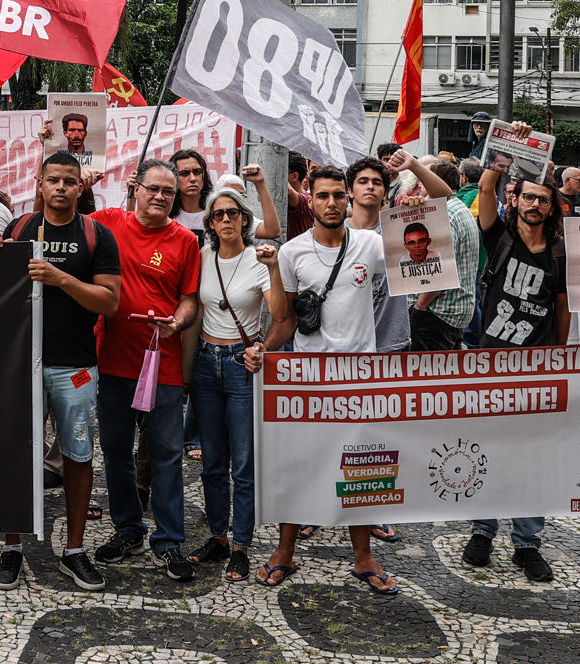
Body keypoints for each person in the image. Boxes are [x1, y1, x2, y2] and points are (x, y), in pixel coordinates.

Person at [248, 166, 396, 593]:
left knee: (362, 470)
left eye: (337, 196)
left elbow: (432, 250)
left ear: (349, 199)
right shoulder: (292, 253)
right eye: (322, 196)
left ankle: (364, 557)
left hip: (361, 378)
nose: (331, 203)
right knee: (301, 467)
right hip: (308, 380)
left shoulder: (371, 245)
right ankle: (284, 552)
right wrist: (264, 348)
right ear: (308, 199)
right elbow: (285, 318)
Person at [0, 152, 122, 592]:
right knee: (16, 455)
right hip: (21, 362)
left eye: (69, 181)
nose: (61, 188)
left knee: (78, 456)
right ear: (39, 183)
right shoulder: (20, 228)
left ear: (80, 188)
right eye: (53, 180)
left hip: (75, 365)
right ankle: (12, 547)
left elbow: (109, 302)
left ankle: (75, 551)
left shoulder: (96, 234)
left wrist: (60, 278)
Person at [90, 159, 201, 583]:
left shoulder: (185, 240)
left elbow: (189, 298)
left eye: (168, 192)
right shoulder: (107, 223)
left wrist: (177, 321)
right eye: (153, 188)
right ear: (136, 187)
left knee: (168, 456)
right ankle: (128, 529)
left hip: (163, 365)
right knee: (115, 452)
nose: (160, 197)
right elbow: (61, 223)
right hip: (113, 360)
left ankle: (169, 540)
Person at [467, 125, 567, 580]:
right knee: (486, 448)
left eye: (542, 199)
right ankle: (482, 531)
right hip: (490, 363)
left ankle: (527, 543)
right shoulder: (497, 237)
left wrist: (560, 357)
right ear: (516, 200)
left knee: (530, 457)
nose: (534, 204)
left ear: (552, 207)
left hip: (537, 369)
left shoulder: (563, 253)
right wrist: (504, 148)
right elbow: (486, 189)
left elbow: (562, 308)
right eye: (527, 197)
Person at [188, 181, 272, 582]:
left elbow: (282, 314)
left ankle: (241, 545)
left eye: (232, 213)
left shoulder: (260, 259)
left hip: (242, 364)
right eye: (217, 214)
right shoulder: (201, 256)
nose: (225, 220)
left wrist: (263, 346)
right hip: (205, 362)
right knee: (211, 462)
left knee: (243, 463)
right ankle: (218, 537)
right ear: (209, 222)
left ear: (244, 218)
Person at [395, 153, 480, 352]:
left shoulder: (446, 214)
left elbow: (439, 267)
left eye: (423, 180)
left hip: (437, 312)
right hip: (452, 311)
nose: (420, 187)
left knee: (428, 376)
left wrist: (420, 307)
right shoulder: (458, 208)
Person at [346, 156, 409, 354]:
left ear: (385, 193)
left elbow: (443, 195)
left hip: (391, 343)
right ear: (350, 191)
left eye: (377, 182)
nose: (370, 187)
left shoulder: (398, 227)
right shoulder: (335, 233)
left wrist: (414, 166)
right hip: (346, 345)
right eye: (363, 181)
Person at [170, 149, 213, 242]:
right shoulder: (165, 215)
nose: (193, 178)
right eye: (184, 173)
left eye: (197, 172)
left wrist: (253, 182)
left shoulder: (218, 212)